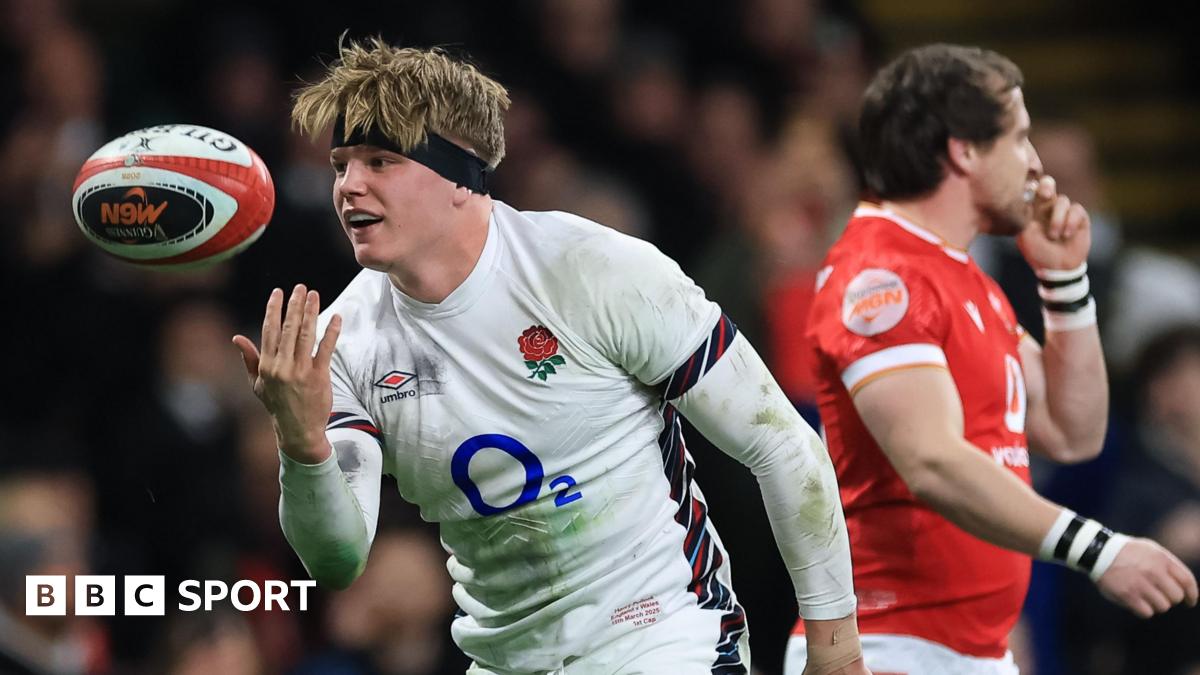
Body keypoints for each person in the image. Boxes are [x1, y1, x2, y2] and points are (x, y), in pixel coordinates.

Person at [230, 37, 869, 675]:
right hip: (505, 659)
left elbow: (783, 445)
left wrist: (835, 654)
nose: (348, 186)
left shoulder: (592, 272)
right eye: (341, 164)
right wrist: (302, 442)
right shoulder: (344, 343)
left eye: (379, 161)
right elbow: (336, 559)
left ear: (460, 175)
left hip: (661, 636)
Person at [784, 43, 1198, 674]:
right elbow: (932, 461)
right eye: (1020, 138)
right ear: (964, 150)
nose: (1034, 164)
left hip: (969, 647)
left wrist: (1064, 284)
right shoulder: (881, 277)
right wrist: (1100, 551)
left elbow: (1071, 431)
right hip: (891, 644)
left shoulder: (963, 279)